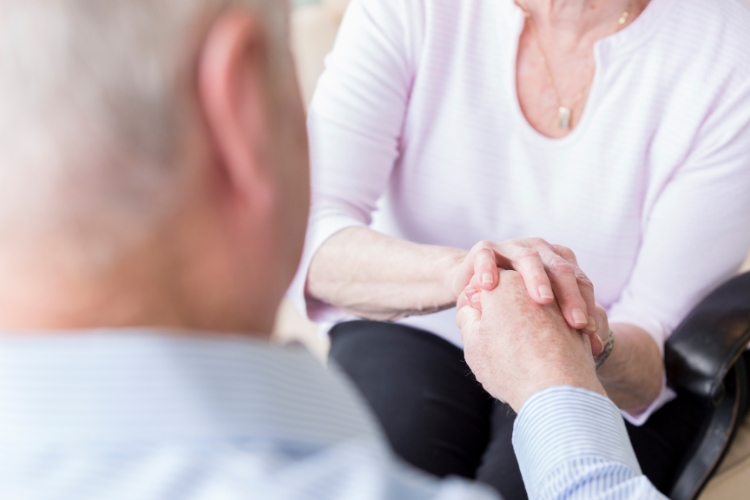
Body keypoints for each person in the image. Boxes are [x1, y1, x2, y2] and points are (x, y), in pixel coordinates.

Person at [0, 0, 671, 499]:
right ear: (244, 114)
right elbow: (326, 227)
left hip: (597, 354)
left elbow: (657, 341)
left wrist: (573, 350)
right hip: (423, 325)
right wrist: (528, 346)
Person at [291, 0, 750, 496]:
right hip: (413, 318)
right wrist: (469, 274)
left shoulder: (731, 54)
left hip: (600, 357)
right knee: (379, 471)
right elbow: (313, 233)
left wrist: (583, 336)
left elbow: (651, 354)